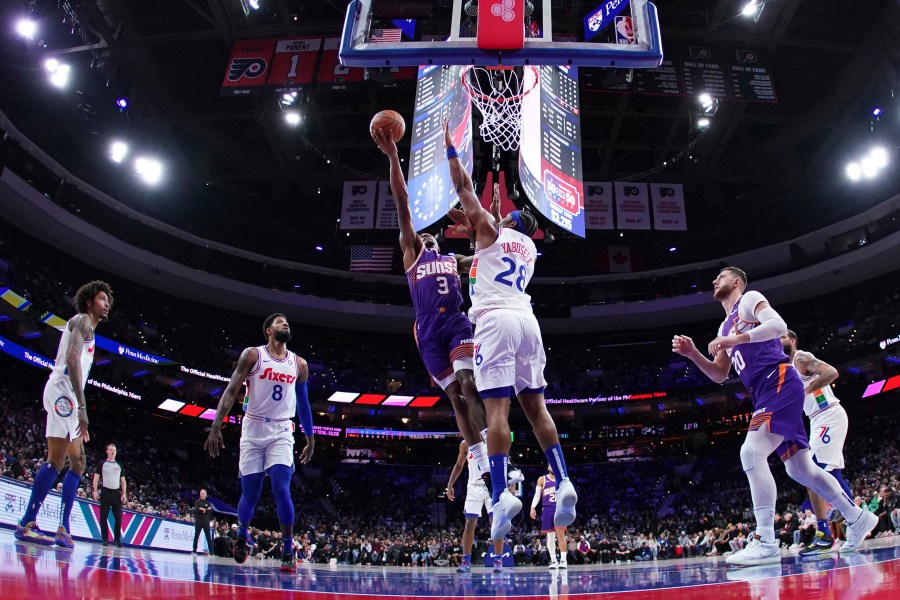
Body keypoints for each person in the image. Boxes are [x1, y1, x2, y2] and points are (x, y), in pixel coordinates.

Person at [672, 267, 878, 566]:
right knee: (799, 470)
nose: (715, 280)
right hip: (764, 390)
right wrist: (692, 353)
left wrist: (736, 339)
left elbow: (778, 326)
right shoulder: (723, 328)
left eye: (722, 276)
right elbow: (719, 374)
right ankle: (857, 518)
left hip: (778, 379)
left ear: (737, 282)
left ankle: (766, 540)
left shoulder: (748, 300)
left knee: (751, 452)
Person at [443, 117, 577, 544]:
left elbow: (465, 189)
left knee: (497, 414)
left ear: (506, 223)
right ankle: (565, 479)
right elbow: (491, 235)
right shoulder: (529, 247)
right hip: (528, 321)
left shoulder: (490, 233)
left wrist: (451, 149)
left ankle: (500, 497)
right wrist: (495, 210)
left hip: (495, 322)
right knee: (537, 410)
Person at [371, 127, 522, 489]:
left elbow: (489, 251)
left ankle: (500, 455)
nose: (423, 236)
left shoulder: (453, 260)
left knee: (470, 385)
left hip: (456, 324)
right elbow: (401, 202)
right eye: (420, 235)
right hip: (427, 331)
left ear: (437, 240)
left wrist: (497, 220)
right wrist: (393, 156)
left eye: (428, 236)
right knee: (455, 395)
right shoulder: (412, 255)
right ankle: (483, 464)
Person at [204, 313, 315, 572]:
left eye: (288, 321)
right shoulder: (253, 355)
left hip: (281, 430)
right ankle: (242, 535)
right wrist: (216, 425)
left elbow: (304, 403)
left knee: (281, 488)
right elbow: (232, 389)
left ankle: (288, 550)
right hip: (253, 427)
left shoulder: (299, 364)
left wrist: (310, 438)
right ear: (268, 330)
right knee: (250, 494)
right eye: (279, 322)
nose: (285, 323)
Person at [15, 280, 113, 548]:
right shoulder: (82, 320)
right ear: (90, 300)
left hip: (70, 397)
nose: (107, 304)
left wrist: (78, 410)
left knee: (78, 463)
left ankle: (63, 527)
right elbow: (71, 360)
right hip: (63, 393)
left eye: (108, 300)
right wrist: (81, 408)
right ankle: (26, 524)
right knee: (56, 461)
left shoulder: (91, 331)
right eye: (102, 298)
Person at [781, 330, 853, 557]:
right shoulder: (786, 368)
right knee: (829, 476)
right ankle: (855, 523)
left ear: (793, 341)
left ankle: (827, 532)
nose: (778, 341)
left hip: (829, 414)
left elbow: (831, 372)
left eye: (782, 337)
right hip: (817, 420)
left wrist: (805, 390)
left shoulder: (801, 358)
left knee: (812, 472)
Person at [446, 440, 507, 572]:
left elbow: (506, 462)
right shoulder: (465, 444)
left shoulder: (492, 439)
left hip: (492, 486)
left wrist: (510, 485)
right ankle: (466, 560)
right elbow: (458, 465)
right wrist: (450, 484)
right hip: (473, 487)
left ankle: (498, 559)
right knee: (469, 524)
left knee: (496, 523)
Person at [530, 465, 568, 569]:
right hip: (547, 509)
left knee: (560, 534)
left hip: (560, 509)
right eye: (551, 464)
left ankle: (563, 560)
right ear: (548, 467)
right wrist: (533, 507)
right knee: (550, 537)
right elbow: (537, 495)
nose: (552, 466)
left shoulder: (563, 479)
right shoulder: (542, 479)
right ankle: (553, 560)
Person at [92, 443, 126, 547]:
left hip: (116, 494)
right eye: (110, 450)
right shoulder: (102, 464)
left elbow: (123, 481)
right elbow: (96, 478)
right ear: (107, 451)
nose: (112, 452)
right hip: (105, 492)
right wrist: (95, 491)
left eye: (114, 450)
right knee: (103, 517)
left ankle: (117, 539)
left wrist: (124, 493)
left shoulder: (119, 466)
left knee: (118, 518)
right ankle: (105, 539)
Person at [193, 489, 214, 554]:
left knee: (208, 536)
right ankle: (194, 550)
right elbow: (196, 510)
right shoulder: (197, 502)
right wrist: (204, 509)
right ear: (200, 494)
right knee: (196, 535)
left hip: (206, 521)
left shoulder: (208, 503)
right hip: (198, 521)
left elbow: (210, 511)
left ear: (206, 494)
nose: (203, 494)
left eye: (204, 493)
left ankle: (211, 551)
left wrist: (202, 509)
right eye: (202, 493)